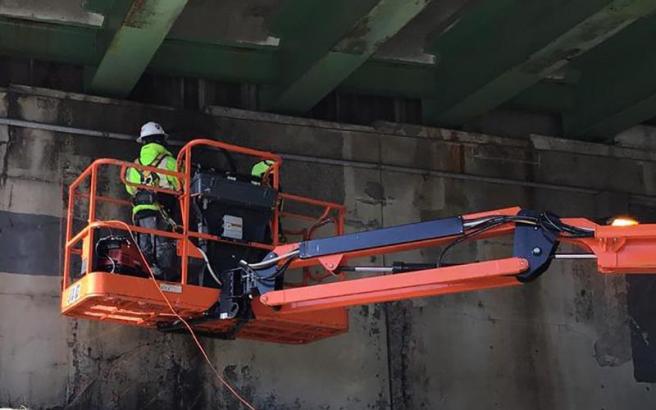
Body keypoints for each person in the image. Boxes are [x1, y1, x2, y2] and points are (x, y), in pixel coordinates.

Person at [124, 122, 180, 279]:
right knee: (162, 243)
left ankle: (145, 269)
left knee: (145, 243)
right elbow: (180, 185)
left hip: (140, 211)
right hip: (161, 209)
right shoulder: (169, 162)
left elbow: (130, 189)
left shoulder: (133, 166)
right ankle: (164, 273)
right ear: (161, 140)